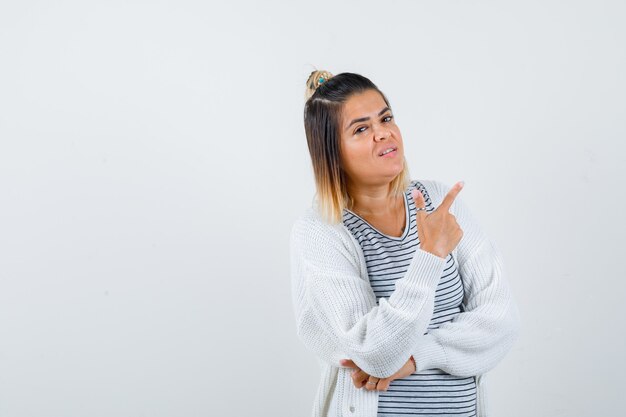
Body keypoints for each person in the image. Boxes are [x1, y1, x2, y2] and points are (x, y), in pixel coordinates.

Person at [290, 70, 520, 417]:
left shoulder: (440, 201)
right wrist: (429, 255)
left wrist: (416, 357)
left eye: (386, 118)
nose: (384, 132)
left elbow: (501, 320)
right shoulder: (322, 232)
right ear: (332, 151)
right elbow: (374, 353)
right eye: (361, 128)